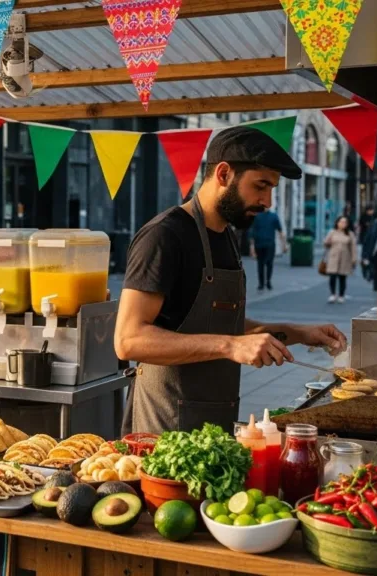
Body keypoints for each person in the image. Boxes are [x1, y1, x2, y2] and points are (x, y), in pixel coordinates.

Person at [115, 127, 347, 435]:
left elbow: (223, 325)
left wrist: (298, 332)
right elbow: (128, 339)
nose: (268, 202)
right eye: (261, 186)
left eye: (272, 189)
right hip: (162, 431)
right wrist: (230, 345)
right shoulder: (164, 236)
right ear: (223, 173)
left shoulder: (226, 236)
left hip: (214, 426)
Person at [248, 210, 286, 291]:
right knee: (268, 264)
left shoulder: (257, 216)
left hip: (262, 244)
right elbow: (280, 231)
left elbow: (252, 232)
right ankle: (266, 282)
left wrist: (252, 247)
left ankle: (262, 283)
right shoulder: (272, 216)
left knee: (261, 264)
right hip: (267, 244)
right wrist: (284, 245)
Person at [323, 216, 356, 303]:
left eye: (345, 222)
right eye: (341, 222)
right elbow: (326, 243)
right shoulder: (332, 232)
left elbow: (353, 247)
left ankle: (341, 295)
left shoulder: (350, 234)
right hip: (333, 257)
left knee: (342, 277)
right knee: (332, 276)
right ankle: (332, 294)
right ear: (337, 223)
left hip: (345, 258)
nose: (342, 224)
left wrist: (354, 259)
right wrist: (327, 242)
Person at [358, 205, 376, 280]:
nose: (372, 212)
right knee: (365, 253)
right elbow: (362, 225)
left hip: (372, 239)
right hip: (364, 237)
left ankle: (369, 270)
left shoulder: (374, 217)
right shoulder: (363, 217)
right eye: (370, 210)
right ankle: (365, 268)